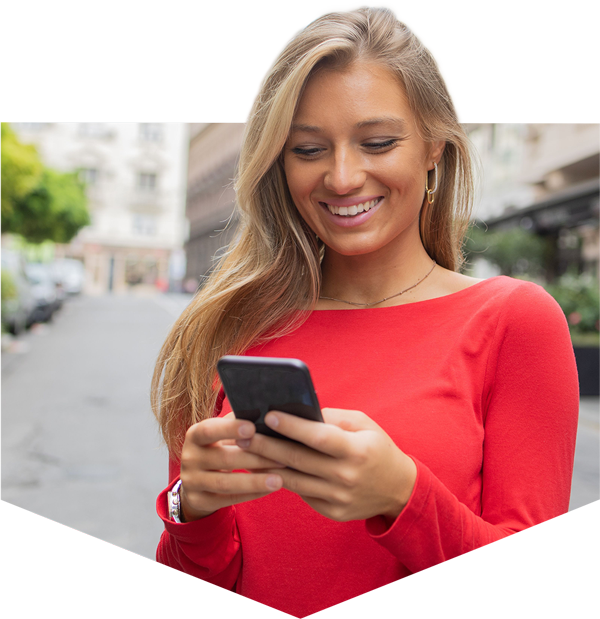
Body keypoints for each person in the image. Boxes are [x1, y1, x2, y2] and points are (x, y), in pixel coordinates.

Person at [152, 6, 579, 616]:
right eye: (307, 149)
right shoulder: (223, 329)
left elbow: (536, 591)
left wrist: (402, 496)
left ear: (434, 146)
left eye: (377, 142)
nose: (342, 176)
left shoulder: (514, 321)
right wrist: (191, 508)